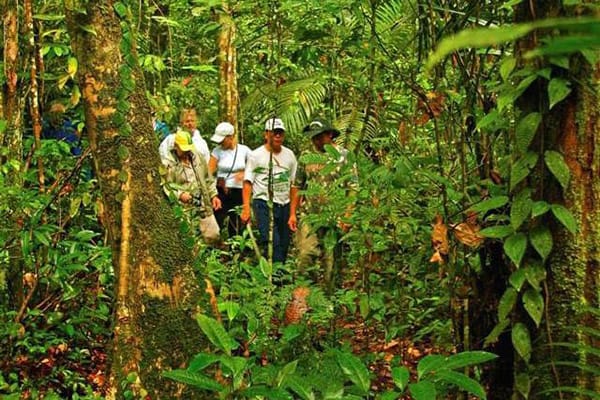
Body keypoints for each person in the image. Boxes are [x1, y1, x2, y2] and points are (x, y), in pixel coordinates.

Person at [293, 118, 354, 291]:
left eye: (319, 137)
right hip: (309, 215)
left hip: (335, 218)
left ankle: (329, 300)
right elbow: (297, 185)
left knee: (331, 263)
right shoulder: (306, 157)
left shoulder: (344, 156)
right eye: (313, 137)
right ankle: (305, 296)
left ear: (329, 135)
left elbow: (353, 188)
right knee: (305, 255)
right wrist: (293, 213)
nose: (316, 141)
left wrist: (347, 216)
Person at [241, 118, 298, 264]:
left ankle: (279, 276)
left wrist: (292, 213)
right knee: (272, 241)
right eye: (274, 133)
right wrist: (246, 208)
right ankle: (276, 278)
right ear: (266, 134)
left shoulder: (290, 155)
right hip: (264, 203)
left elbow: (294, 185)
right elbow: (248, 182)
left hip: (284, 203)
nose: (277, 136)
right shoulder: (256, 155)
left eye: (280, 133)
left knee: (284, 243)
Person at [163, 129, 222, 245]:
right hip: (185, 209)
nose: (186, 152)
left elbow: (207, 178)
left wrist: (214, 195)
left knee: (214, 236)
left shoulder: (197, 156)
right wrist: (179, 194)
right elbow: (166, 186)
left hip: (203, 204)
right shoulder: (168, 163)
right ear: (176, 146)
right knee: (190, 241)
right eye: (183, 149)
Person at [208, 122, 252, 238]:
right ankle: (217, 247)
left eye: (223, 139)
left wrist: (244, 173)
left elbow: (255, 168)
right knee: (217, 220)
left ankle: (236, 251)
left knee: (236, 223)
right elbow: (208, 172)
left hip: (239, 192)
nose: (220, 143)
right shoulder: (217, 151)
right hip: (222, 190)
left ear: (231, 137)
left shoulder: (244, 150)